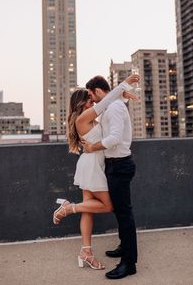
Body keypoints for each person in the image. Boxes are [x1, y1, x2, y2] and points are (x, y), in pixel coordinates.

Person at [52, 74, 139, 271]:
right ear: (82, 103)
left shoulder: (89, 116)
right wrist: (123, 86)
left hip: (95, 163)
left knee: (89, 209)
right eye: (89, 99)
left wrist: (122, 95)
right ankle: (68, 208)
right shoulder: (85, 117)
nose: (93, 101)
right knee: (107, 206)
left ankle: (86, 252)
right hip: (93, 165)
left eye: (93, 97)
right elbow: (106, 102)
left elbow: (108, 104)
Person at [82, 75, 138, 280]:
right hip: (114, 166)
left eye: (90, 94)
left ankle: (129, 263)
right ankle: (125, 248)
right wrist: (123, 93)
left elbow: (114, 139)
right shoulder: (111, 105)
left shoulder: (113, 108)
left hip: (120, 165)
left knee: (124, 214)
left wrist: (92, 147)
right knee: (121, 212)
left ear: (98, 91)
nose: (91, 99)